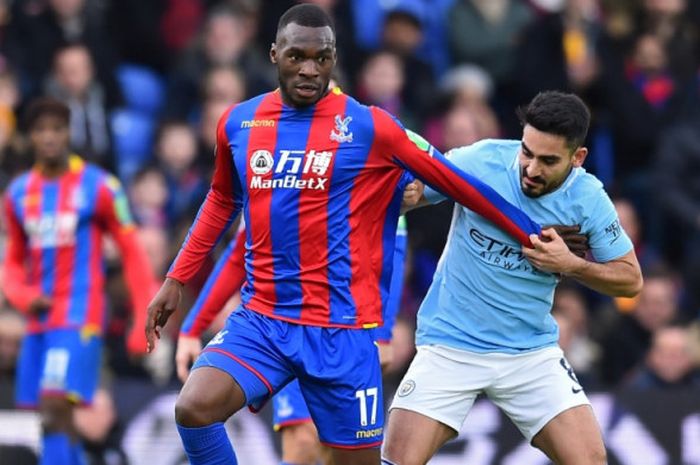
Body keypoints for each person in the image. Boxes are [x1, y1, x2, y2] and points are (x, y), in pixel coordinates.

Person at [145, 5, 543, 465]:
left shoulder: (370, 126)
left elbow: (456, 183)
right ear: (274, 54)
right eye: (297, 57)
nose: (310, 69)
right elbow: (220, 201)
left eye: (322, 58)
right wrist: (176, 279)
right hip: (263, 321)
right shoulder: (240, 122)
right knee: (194, 409)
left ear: (335, 59)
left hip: (342, 334)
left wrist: (532, 235)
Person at [383, 91, 643, 465]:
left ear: (578, 157)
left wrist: (570, 264)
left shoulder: (589, 199)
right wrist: (407, 192)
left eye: (548, 160)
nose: (532, 168)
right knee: (396, 461)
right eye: (527, 152)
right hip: (450, 345)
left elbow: (631, 280)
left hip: (530, 354)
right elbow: (419, 193)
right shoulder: (481, 159)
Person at [176, 208, 412, 465]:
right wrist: (192, 327)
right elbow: (239, 252)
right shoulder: (267, 173)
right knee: (302, 441)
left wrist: (384, 332)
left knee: (338, 453)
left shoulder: (369, 170)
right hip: (282, 328)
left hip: (344, 334)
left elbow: (393, 246)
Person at [2, 97, 157, 465]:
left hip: (79, 315)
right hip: (39, 320)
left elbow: (133, 251)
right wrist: (22, 295)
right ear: (29, 137)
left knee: (55, 403)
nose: (49, 138)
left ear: (68, 132)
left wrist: (144, 316)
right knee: (53, 414)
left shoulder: (99, 186)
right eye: (40, 130)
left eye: (57, 129)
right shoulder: (19, 194)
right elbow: (11, 261)